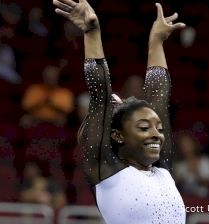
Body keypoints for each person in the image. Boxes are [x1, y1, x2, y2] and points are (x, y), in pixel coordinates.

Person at [53, 0, 186, 223]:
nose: (156, 134)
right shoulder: (107, 170)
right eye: (144, 128)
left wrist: (156, 42)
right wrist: (92, 33)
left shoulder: (162, 170)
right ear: (117, 135)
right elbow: (99, 94)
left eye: (158, 128)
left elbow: (159, 98)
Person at [173, 131, 209, 198]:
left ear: (194, 145)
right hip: (185, 199)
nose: (187, 149)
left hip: (204, 199)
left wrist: (196, 173)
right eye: (183, 146)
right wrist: (179, 179)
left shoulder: (205, 161)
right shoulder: (179, 165)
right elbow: (174, 185)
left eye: (189, 145)